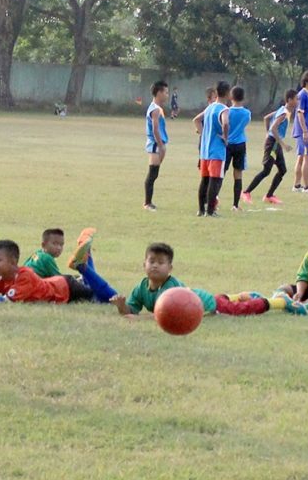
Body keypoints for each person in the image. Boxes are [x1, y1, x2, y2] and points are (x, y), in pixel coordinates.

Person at [110, 242, 277, 319]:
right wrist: (122, 306)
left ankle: (275, 301)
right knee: (226, 300)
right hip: (201, 298)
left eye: (161, 262)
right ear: (144, 265)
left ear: (170, 268)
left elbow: (164, 315)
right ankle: (242, 295)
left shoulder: (171, 288)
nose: (155, 265)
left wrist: (140, 319)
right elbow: (131, 311)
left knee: (239, 310)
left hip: (209, 305)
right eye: (151, 261)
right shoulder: (141, 287)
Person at [0, 238, 118, 305]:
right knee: (97, 292)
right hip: (59, 283)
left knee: (106, 299)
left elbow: (3, 302)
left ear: (13, 262)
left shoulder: (24, 277)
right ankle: (85, 256)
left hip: (66, 289)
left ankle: (84, 264)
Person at [245, 89, 297, 205]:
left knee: (282, 170)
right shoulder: (284, 113)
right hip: (273, 144)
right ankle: (246, 192)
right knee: (266, 171)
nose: (297, 101)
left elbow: (266, 118)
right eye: (296, 99)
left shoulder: (283, 110)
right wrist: (282, 144)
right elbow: (273, 128)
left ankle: (269, 196)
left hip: (275, 143)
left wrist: (268, 133)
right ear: (289, 100)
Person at [192, 82, 230, 216]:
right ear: (227, 93)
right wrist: (225, 137)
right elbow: (225, 123)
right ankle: (210, 211)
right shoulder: (224, 109)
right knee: (215, 180)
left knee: (205, 180)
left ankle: (201, 210)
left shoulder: (209, 108)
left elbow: (196, 120)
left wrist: (203, 134)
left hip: (205, 151)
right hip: (216, 151)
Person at [220, 86, 252, 211]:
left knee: (221, 173)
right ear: (243, 98)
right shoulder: (247, 113)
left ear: (231, 97)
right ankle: (235, 205)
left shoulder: (227, 111)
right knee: (238, 174)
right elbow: (244, 124)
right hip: (240, 145)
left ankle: (214, 199)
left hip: (227, 144)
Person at [143, 81, 169, 211]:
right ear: (159, 93)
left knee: (155, 173)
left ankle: (149, 202)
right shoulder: (155, 110)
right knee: (152, 173)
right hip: (155, 144)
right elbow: (155, 129)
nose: (167, 95)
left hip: (158, 143)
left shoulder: (157, 108)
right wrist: (160, 145)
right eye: (166, 92)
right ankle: (147, 203)